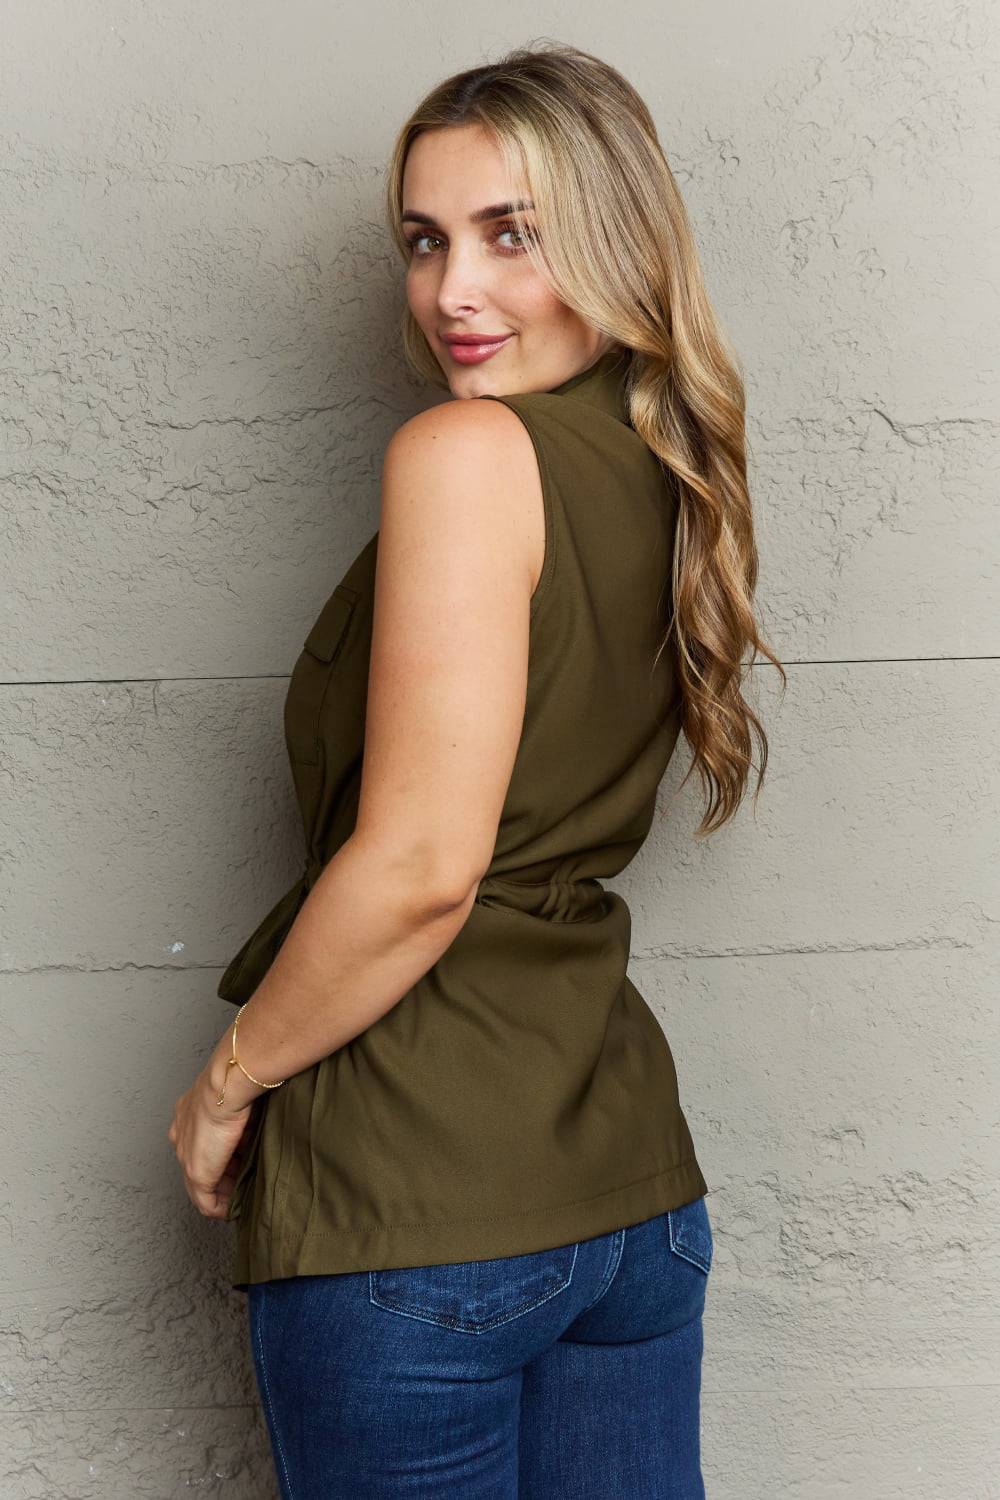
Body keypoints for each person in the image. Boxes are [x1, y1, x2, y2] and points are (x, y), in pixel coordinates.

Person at [169, 40, 783, 1499]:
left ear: (615, 238)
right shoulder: (668, 468)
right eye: (425, 240)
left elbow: (423, 868)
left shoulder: (467, 453)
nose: (454, 290)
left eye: (514, 234)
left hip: (417, 1202)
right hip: (630, 1197)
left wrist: (226, 1079)